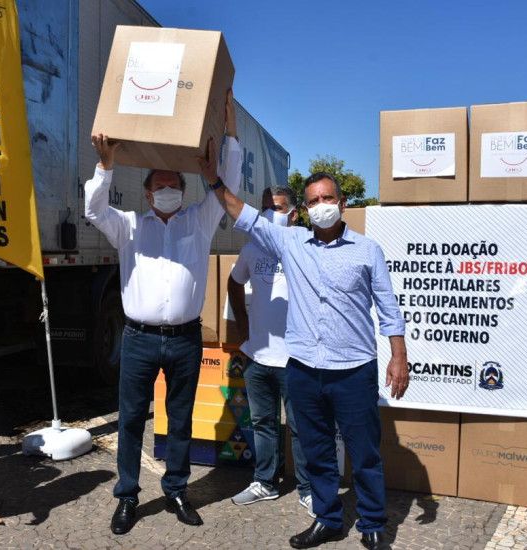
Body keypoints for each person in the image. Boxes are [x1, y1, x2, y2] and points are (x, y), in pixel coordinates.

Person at [206, 171, 408, 550]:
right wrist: (213, 181)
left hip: (353, 369)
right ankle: (328, 519)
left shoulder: (368, 250)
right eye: (313, 201)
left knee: (364, 452)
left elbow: (389, 308)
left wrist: (399, 355)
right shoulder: (291, 242)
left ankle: (373, 524)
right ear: (305, 209)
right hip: (303, 369)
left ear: (342, 203)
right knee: (316, 452)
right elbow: (245, 214)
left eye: (327, 199)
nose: (321, 207)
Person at [87, 90, 242, 535]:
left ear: (185, 188)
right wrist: (105, 164)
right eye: (161, 186)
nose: (169, 191)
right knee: (132, 416)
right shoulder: (129, 226)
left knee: (180, 416)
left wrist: (230, 130)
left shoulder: (200, 219)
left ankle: (176, 489)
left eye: (175, 185)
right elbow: (93, 208)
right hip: (137, 338)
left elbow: (226, 181)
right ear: (148, 191)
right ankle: (128, 496)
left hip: (185, 338)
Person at [228, 186, 313, 515]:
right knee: (263, 423)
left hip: (295, 360)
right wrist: (242, 323)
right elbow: (234, 283)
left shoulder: (306, 244)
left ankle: (307, 488)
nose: (267, 214)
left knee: (299, 426)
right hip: (258, 358)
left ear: (293, 213)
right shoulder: (253, 248)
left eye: (275, 208)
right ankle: (265, 482)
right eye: (263, 208)